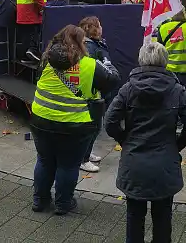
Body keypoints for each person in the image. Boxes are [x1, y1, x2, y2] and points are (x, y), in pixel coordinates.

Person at [104, 42, 186, 243]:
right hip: (165, 164)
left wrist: (126, 140)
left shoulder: (128, 89)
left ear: (141, 61)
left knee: (134, 217)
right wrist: (177, 144)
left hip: (134, 163)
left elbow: (110, 122)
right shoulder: (177, 90)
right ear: (165, 61)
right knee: (163, 218)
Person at [30, 25, 119, 215]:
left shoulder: (46, 60)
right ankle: (63, 203)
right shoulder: (90, 65)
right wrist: (107, 61)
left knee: (44, 161)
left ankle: (40, 201)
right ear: (81, 43)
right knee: (68, 165)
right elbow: (113, 80)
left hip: (41, 119)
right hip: (74, 124)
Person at [77, 16, 115, 173]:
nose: (101, 28)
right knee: (93, 127)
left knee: (95, 127)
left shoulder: (95, 44)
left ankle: (86, 152)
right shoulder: (91, 48)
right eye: (99, 25)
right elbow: (95, 72)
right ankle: (83, 159)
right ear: (93, 29)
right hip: (93, 94)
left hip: (98, 93)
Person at [155, 11, 186, 127]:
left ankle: (176, 121)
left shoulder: (163, 29)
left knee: (172, 97)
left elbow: (159, 49)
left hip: (171, 71)